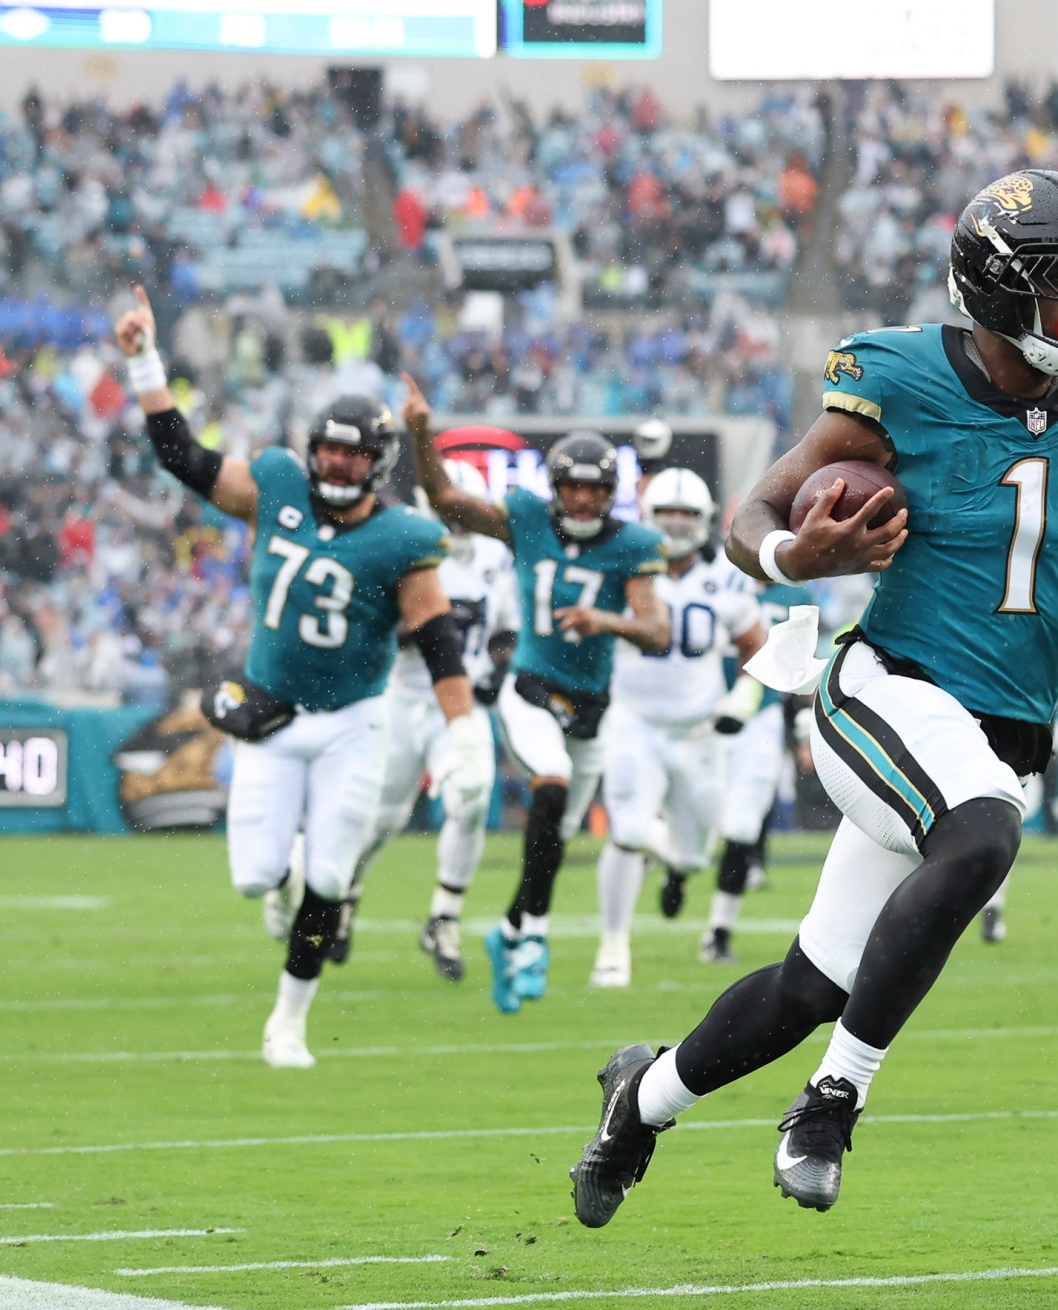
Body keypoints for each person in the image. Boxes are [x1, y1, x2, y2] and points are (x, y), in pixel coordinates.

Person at [568, 169, 1058, 1222]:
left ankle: (643, 1094)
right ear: (995, 287)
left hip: (1005, 729)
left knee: (812, 985)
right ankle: (835, 1100)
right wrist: (793, 559)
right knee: (982, 841)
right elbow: (750, 513)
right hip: (888, 687)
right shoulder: (900, 377)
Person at [114, 287, 490, 1068]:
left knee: (329, 873)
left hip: (354, 720)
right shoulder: (278, 484)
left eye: (353, 452)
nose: (336, 462)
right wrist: (144, 359)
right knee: (258, 878)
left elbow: (439, 638)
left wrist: (463, 730)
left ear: (377, 461)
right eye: (329, 448)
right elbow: (183, 457)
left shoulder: (402, 536)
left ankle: (288, 1021)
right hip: (271, 714)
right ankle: (281, 884)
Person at [402, 384, 671, 1014]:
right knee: (547, 789)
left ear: (612, 494)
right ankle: (535, 939)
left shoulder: (633, 545)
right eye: (573, 486)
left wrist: (608, 623)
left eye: (595, 488)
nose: (583, 498)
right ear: (554, 486)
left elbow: (655, 629)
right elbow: (446, 500)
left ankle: (514, 927)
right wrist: (421, 431)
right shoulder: (524, 518)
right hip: (531, 687)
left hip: (592, 707)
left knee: (557, 836)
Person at [331, 456, 518, 980]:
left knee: (473, 797)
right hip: (403, 699)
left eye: (466, 515)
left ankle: (445, 916)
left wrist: (496, 666)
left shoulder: (494, 559)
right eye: (451, 515)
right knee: (381, 817)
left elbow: (505, 630)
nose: (459, 526)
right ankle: (345, 892)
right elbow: (378, 634)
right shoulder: (405, 550)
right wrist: (431, 628)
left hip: (461, 706)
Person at [591, 468, 769, 988]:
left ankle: (672, 866)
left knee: (695, 855)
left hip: (699, 731)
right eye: (666, 514)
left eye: (686, 515)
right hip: (634, 719)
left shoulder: (729, 578)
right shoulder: (622, 569)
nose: (675, 524)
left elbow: (755, 646)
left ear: (705, 521)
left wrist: (745, 694)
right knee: (624, 828)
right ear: (647, 519)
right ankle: (612, 950)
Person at [703, 566, 814, 965]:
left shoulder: (796, 597)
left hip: (761, 719)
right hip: (703, 717)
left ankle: (719, 930)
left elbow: (801, 669)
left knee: (742, 826)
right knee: (697, 831)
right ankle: (678, 868)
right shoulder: (711, 580)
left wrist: (803, 726)